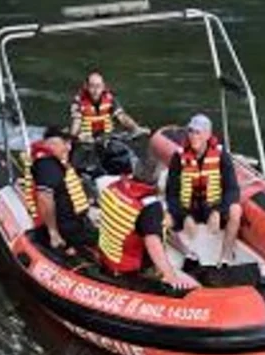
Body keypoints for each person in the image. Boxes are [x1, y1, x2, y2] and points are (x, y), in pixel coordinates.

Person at [97, 160, 199, 290]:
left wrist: (186, 251)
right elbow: (153, 244)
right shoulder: (149, 206)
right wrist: (170, 276)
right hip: (131, 269)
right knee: (195, 287)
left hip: (108, 255)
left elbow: (154, 228)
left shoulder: (114, 186)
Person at [165, 114, 243, 265]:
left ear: (207, 135)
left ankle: (225, 256)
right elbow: (171, 194)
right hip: (188, 208)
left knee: (236, 210)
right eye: (191, 131)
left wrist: (218, 211)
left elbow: (233, 190)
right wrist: (185, 215)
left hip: (211, 206)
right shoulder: (178, 157)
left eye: (198, 132)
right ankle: (187, 253)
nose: (193, 136)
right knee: (162, 222)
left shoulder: (221, 156)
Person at [29, 125, 95, 255]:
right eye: (65, 144)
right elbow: (44, 198)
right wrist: (53, 232)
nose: (68, 148)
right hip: (66, 226)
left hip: (72, 218)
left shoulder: (52, 161)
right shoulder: (47, 165)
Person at [69, 71, 144, 141]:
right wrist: (74, 136)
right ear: (86, 86)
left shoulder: (110, 98)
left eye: (98, 86)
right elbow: (76, 122)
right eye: (92, 86)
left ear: (103, 86)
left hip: (107, 136)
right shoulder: (79, 101)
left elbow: (122, 117)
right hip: (87, 138)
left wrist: (136, 128)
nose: (95, 90)